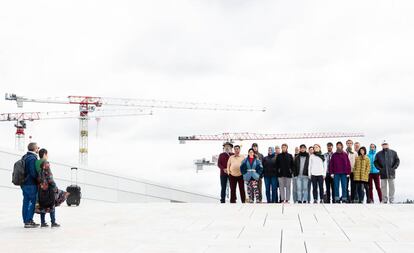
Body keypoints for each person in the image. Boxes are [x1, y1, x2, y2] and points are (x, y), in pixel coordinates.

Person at [37, 159, 69, 227]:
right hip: (49, 192)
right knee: (52, 206)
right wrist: (56, 189)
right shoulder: (48, 172)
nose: (49, 166)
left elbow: (39, 181)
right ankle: (53, 222)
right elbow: (51, 181)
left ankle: (42, 223)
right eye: (48, 164)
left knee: (43, 206)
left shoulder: (40, 172)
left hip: (41, 192)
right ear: (46, 166)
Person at [21, 142, 40, 228]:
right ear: (34, 148)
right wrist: (39, 180)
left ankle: (26, 220)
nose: (38, 149)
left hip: (24, 184)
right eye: (37, 148)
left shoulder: (24, 157)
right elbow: (33, 173)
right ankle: (29, 221)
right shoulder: (32, 158)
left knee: (25, 202)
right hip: (31, 184)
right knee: (31, 202)